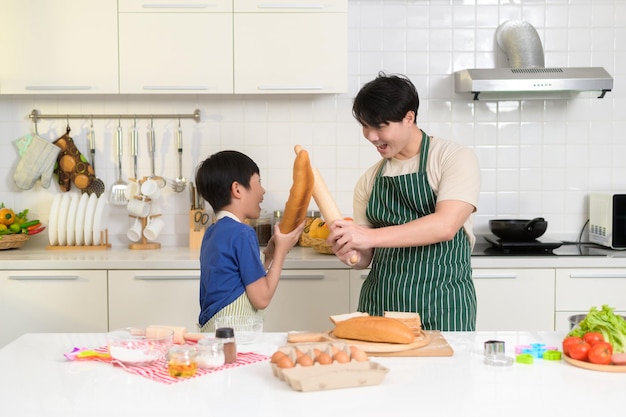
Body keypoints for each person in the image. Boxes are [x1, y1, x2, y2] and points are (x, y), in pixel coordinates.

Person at [329, 72, 481, 331]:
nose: (371, 136)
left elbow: (445, 226)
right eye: (365, 126)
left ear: (409, 118)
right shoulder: (370, 179)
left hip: (442, 307)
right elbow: (366, 258)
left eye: (380, 126)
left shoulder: (452, 158)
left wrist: (368, 238)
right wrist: (350, 251)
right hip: (380, 307)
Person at [194, 150, 305, 332]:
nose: (263, 190)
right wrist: (281, 253)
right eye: (258, 182)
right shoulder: (243, 233)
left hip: (213, 334)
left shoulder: (213, 232)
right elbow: (262, 298)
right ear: (237, 189)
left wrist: (268, 256)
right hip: (237, 337)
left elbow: (236, 279)